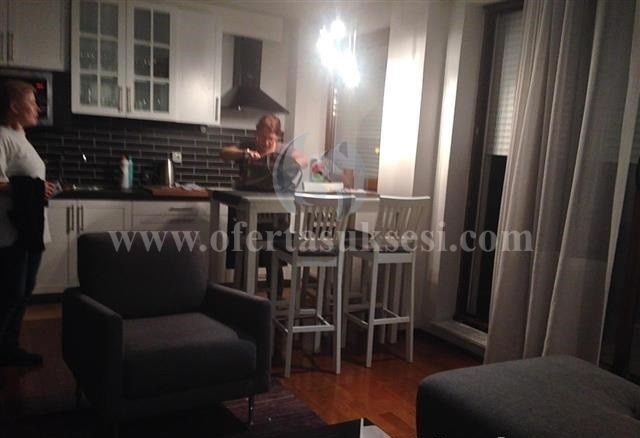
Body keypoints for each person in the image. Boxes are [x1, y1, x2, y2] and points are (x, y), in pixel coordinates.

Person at [0, 80, 55, 367]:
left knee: (23, 293)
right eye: (32, 102)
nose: (38, 108)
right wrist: (33, 188)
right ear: (14, 106)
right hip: (11, 233)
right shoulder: (2, 136)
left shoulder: (20, 136)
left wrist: (39, 188)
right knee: (10, 294)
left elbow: (25, 180)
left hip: (30, 229)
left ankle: (10, 347)